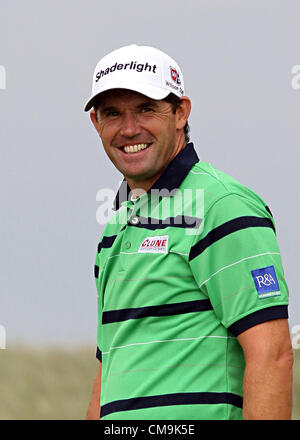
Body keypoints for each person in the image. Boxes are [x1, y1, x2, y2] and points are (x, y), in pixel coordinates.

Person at [84, 44, 293, 420]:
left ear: (181, 113)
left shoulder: (221, 204)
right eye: (112, 113)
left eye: (147, 109)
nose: (129, 128)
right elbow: (109, 367)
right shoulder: (115, 226)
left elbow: (272, 355)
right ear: (96, 124)